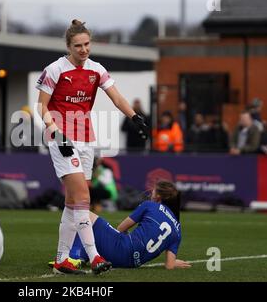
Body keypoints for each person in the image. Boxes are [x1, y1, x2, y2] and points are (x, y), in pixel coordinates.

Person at [36, 19, 148, 275]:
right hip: (62, 138)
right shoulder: (55, 69)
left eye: (87, 44)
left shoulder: (96, 69)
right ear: (69, 46)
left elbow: (117, 97)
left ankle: (62, 259)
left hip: (86, 139)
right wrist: (55, 131)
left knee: (73, 199)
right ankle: (94, 256)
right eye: (78, 46)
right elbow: (41, 106)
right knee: (84, 198)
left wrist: (134, 117)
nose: (84, 49)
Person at [66, 181, 191, 270]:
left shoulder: (150, 205)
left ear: (158, 196)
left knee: (83, 213)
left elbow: (121, 228)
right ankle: (84, 255)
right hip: (131, 264)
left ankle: (75, 257)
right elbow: (169, 266)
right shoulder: (178, 230)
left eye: (154, 189)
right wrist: (174, 262)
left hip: (120, 250)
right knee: (96, 233)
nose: (151, 191)